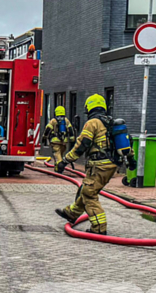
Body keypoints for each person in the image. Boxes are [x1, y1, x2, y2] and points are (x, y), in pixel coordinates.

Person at [55, 94, 135, 235]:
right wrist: (131, 160)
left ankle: (98, 227)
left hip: (99, 165)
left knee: (89, 194)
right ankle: (71, 213)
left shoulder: (92, 123)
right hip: (111, 164)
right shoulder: (110, 122)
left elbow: (82, 145)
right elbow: (126, 143)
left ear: (89, 108)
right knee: (86, 189)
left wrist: (65, 161)